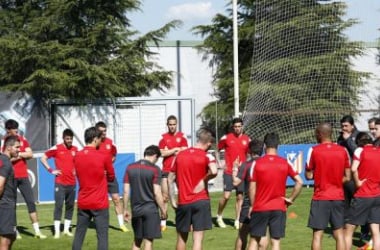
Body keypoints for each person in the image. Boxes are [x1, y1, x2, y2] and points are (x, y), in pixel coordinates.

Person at [248, 132, 303, 250]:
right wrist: (291, 199)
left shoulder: (256, 164)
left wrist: (252, 206)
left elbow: (252, 187)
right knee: (276, 242)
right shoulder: (285, 162)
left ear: (264, 146)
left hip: (260, 207)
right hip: (279, 207)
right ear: (278, 145)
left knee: (254, 240)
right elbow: (300, 182)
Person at [168, 127, 217, 250]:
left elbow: (169, 179)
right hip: (201, 200)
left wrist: (172, 199)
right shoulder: (207, 156)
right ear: (209, 143)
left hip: (183, 201)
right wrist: (204, 180)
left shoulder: (179, 155)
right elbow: (214, 171)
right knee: (198, 238)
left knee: (181, 238)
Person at [305, 122, 351, 250]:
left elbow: (308, 176)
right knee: (339, 233)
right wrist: (335, 180)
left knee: (317, 235)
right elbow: (348, 176)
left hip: (321, 197)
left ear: (319, 134)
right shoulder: (343, 150)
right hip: (338, 197)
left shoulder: (313, 150)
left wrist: (320, 176)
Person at [72, 127, 115, 250]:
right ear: (95, 139)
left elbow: (77, 173)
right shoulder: (104, 155)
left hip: (83, 201)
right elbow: (111, 176)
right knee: (102, 236)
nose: (101, 141)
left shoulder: (77, 156)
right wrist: (105, 175)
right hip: (99, 202)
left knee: (79, 235)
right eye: (100, 139)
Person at [2, 119, 46, 239]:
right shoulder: (4, 143)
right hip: (10, 177)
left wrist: (17, 154)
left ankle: (37, 231)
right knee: (12, 205)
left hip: (23, 176)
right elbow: (5, 160)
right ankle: (14, 230)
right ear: (8, 130)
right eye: (13, 130)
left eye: (17, 130)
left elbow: (30, 154)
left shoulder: (23, 139)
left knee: (31, 202)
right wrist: (20, 155)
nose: (16, 132)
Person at [123, 145, 167, 250]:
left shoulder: (130, 167)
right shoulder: (155, 169)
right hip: (150, 210)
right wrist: (163, 210)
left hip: (136, 209)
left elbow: (125, 191)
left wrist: (125, 209)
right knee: (148, 241)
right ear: (155, 156)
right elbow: (157, 192)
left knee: (137, 240)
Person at [344, 132, 380, 250]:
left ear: (359, 142)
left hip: (363, 195)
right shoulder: (378, 151)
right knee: (375, 231)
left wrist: (358, 182)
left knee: (348, 230)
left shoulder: (360, 150)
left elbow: (353, 168)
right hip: (377, 195)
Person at [40, 128, 78, 239]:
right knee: (59, 206)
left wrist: (77, 169)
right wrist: (51, 170)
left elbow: (80, 161)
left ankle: (66, 230)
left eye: (71, 139)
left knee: (70, 206)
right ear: (63, 138)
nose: (69, 141)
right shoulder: (57, 148)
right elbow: (43, 158)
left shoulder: (76, 149)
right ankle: (56, 232)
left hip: (72, 183)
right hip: (60, 183)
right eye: (67, 139)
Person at [216, 117, 250, 229]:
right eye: (235, 127)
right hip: (229, 171)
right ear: (233, 127)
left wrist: (247, 166)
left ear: (242, 127)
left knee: (240, 196)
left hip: (241, 173)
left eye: (239, 126)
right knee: (226, 196)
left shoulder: (247, 139)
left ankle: (237, 220)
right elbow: (217, 150)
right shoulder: (226, 138)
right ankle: (219, 216)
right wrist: (220, 163)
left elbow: (249, 154)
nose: (237, 128)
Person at [231, 139, 265, 250]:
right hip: (264, 202)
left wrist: (235, 168)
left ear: (250, 150)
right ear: (262, 150)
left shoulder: (246, 165)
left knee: (242, 234)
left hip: (248, 202)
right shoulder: (265, 163)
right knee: (263, 235)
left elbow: (235, 182)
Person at [95, 121, 128, 232]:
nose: (103, 133)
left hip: (110, 176)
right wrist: (100, 169)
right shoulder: (94, 143)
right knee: (99, 201)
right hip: (99, 177)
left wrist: (109, 163)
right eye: (101, 131)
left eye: (105, 131)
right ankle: (99, 223)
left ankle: (121, 225)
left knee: (116, 199)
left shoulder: (110, 143)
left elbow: (114, 155)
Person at [158, 115, 188, 231]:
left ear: (177, 124)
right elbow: (162, 153)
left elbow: (184, 151)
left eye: (174, 124)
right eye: (170, 124)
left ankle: (179, 219)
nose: (172, 126)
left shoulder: (182, 138)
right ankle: (163, 220)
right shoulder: (163, 139)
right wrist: (175, 150)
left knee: (181, 196)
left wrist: (169, 150)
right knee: (165, 197)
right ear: (167, 125)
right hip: (166, 170)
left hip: (179, 170)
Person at [337, 115, 359, 224]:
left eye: (346, 126)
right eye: (342, 126)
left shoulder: (359, 136)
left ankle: (364, 229)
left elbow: (358, 152)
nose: (344, 128)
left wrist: (348, 140)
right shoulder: (340, 137)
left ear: (352, 126)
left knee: (358, 201)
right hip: (343, 174)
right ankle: (345, 224)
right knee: (344, 201)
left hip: (355, 175)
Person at [0, 136, 20, 249]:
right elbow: (0, 185)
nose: (19, 150)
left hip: (7, 206)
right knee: (6, 240)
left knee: (12, 236)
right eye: (17, 147)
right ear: (8, 147)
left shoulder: (3, 161)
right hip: (5, 206)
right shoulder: (6, 163)